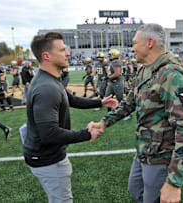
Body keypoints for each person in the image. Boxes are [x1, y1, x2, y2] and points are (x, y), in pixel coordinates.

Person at [88, 23, 183, 203]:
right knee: (136, 190)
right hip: (144, 150)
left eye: (134, 43)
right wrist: (103, 122)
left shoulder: (173, 75)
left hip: (161, 156)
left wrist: (174, 181)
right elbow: (129, 102)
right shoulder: (146, 70)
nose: (132, 49)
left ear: (149, 43)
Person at [23, 32, 118, 203]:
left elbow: (71, 99)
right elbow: (49, 134)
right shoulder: (46, 87)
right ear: (46, 56)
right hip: (47, 158)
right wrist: (88, 134)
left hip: (46, 154)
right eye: (62, 50)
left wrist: (100, 102)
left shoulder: (50, 79)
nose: (68, 53)